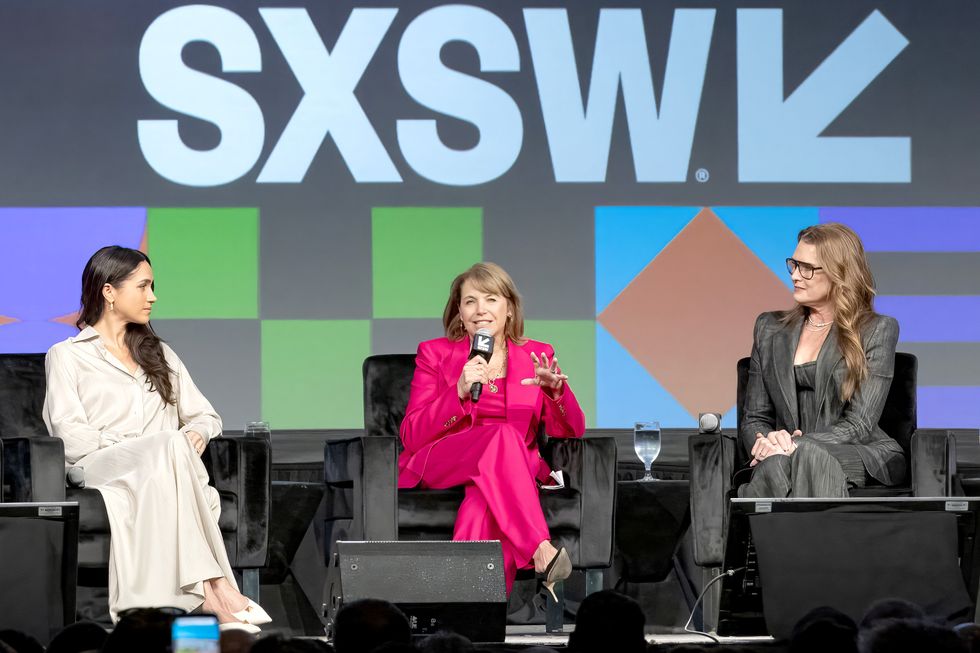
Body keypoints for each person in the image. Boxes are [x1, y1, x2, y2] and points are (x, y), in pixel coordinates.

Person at [42, 246, 269, 630]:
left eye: (153, 286)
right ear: (109, 291)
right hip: (100, 466)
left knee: (168, 450)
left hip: (164, 472)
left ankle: (187, 607)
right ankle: (215, 588)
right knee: (166, 445)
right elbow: (69, 434)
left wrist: (196, 432)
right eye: (143, 286)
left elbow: (206, 415)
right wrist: (139, 444)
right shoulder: (67, 356)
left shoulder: (159, 353)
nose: (153, 296)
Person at [399, 262, 586, 595]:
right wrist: (456, 391)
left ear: (510, 309)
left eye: (491, 299)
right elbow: (412, 435)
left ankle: (470, 615)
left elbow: (572, 430)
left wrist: (556, 393)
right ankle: (539, 548)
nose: (480, 310)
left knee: (480, 502)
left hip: (510, 470)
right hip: (447, 459)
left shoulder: (537, 354)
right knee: (500, 436)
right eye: (470, 301)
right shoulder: (435, 354)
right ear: (459, 311)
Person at [740, 223, 905, 498]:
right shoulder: (769, 328)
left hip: (861, 451)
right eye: (793, 264)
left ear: (839, 273)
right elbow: (755, 417)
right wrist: (764, 443)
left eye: (806, 268)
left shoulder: (877, 329)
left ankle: (741, 539)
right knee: (779, 464)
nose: (794, 275)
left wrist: (796, 445)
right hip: (782, 452)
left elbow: (859, 425)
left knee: (806, 458)